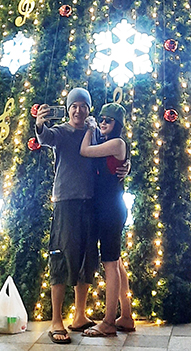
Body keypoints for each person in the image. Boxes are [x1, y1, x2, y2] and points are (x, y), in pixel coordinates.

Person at [35, 88, 98, 344]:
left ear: (88, 108)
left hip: (90, 201)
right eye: (74, 106)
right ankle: (56, 320)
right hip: (66, 201)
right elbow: (45, 138)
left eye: (83, 105)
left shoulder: (93, 132)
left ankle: (80, 315)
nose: (78, 110)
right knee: (61, 257)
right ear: (68, 108)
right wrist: (39, 124)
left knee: (86, 257)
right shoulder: (61, 132)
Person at [79, 103, 135, 337]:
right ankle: (126, 316)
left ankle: (109, 321)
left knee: (110, 264)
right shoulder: (112, 143)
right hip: (108, 208)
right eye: (101, 119)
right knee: (116, 262)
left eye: (108, 121)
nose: (103, 123)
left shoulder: (116, 143)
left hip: (111, 209)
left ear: (117, 124)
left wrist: (89, 129)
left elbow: (84, 151)